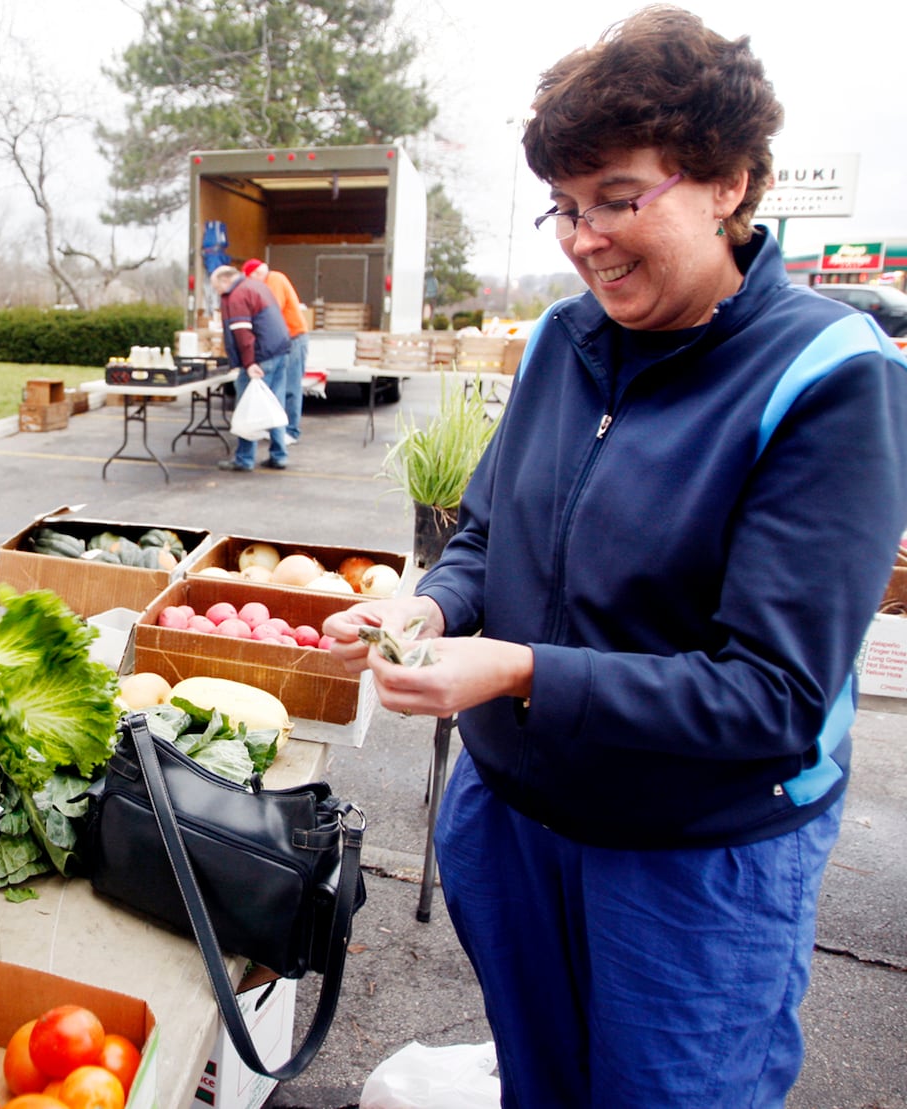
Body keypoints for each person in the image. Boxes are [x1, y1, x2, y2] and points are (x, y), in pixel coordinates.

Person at [322, 8, 907, 1107]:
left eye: (618, 199)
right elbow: (488, 531)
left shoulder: (830, 376)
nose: (584, 237)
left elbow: (770, 695)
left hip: (689, 858)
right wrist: (436, 611)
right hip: (514, 817)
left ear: (727, 179)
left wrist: (521, 669)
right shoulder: (562, 338)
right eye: (564, 207)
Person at [209, 264, 292, 471]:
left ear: (225, 281)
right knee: (275, 404)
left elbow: (243, 334)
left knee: (248, 406)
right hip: (279, 351)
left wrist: (249, 363)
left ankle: (244, 458)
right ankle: (279, 455)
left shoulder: (237, 295)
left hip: (260, 357)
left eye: (216, 288)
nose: (216, 292)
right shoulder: (257, 286)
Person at [241, 258, 309, 443]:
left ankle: (291, 431)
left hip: (294, 338)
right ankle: (277, 430)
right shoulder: (270, 281)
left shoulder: (275, 280)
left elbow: (270, 311)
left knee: (291, 387)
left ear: (256, 274)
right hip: (283, 340)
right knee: (279, 388)